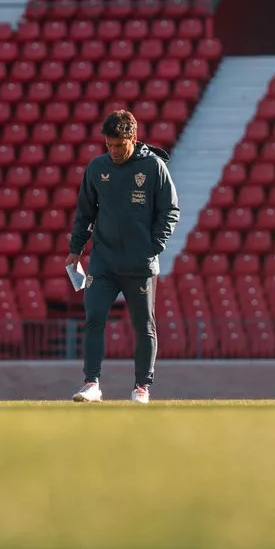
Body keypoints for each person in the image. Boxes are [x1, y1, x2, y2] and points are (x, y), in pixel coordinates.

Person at [65, 109, 180, 404]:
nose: (114, 151)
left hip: (139, 264)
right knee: (93, 318)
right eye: (109, 145)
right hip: (103, 261)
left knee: (144, 325)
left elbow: (170, 211)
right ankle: (91, 383)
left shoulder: (154, 168)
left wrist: (152, 247)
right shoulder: (96, 168)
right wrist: (75, 250)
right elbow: (85, 214)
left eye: (120, 145)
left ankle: (142, 387)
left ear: (133, 138)